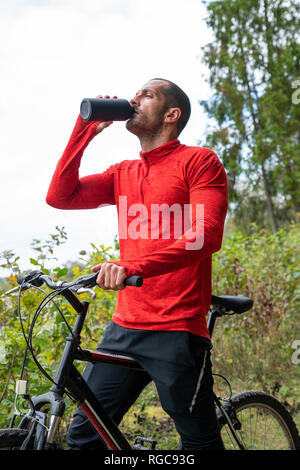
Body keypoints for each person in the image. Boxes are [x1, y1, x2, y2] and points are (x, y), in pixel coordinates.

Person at [46, 78, 228, 450]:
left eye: (147, 95)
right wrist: (83, 132)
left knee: (198, 441)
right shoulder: (122, 173)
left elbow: (204, 235)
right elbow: (60, 197)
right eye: (136, 93)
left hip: (178, 326)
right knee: (84, 435)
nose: (134, 99)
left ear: (171, 115)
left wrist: (133, 266)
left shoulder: (199, 161)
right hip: (125, 327)